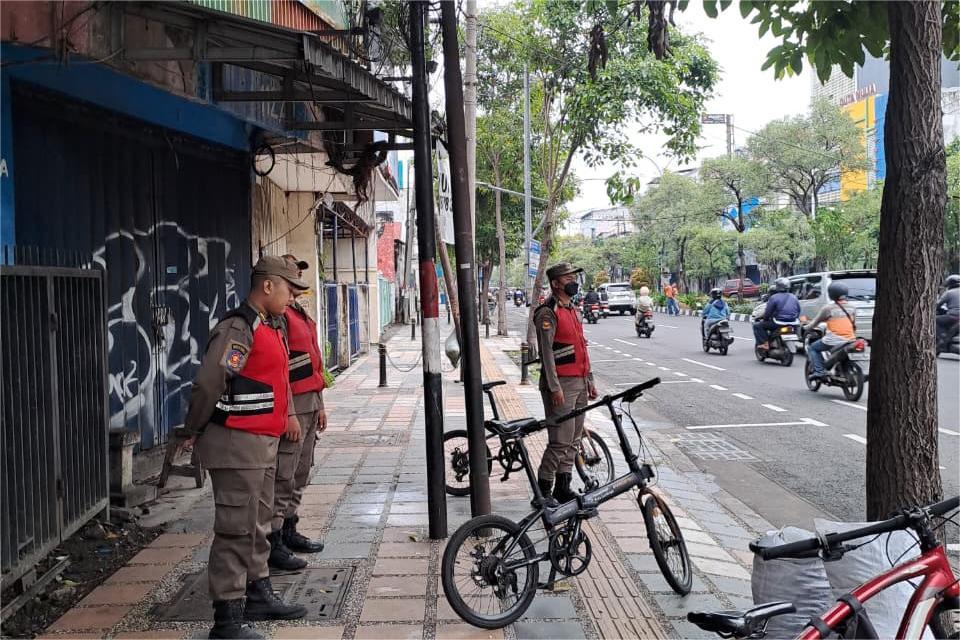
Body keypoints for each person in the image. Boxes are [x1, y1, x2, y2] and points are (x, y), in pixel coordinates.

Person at [181, 256, 309, 639]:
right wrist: (193, 428)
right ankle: (227, 623)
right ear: (267, 286)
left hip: (261, 446)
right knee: (236, 531)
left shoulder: (268, 326)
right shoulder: (239, 328)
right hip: (238, 446)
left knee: (257, 527)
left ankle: (256, 593)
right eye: (288, 289)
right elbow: (211, 381)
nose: (292, 297)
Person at [265, 255, 327, 574]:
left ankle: (289, 528)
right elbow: (280, 370)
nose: (299, 276)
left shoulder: (298, 311)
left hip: (309, 401)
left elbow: (313, 360)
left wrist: (320, 403)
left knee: (301, 471)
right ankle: (273, 539)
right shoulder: (278, 316)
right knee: (284, 473)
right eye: (293, 271)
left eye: (300, 271)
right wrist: (288, 411)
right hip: (292, 405)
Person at [533, 263, 598, 507]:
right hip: (561, 385)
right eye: (568, 277)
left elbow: (581, 347)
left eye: (574, 276)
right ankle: (542, 492)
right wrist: (554, 387)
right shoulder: (548, 312)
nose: (573, 281)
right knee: (560, 441)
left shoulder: (572, 309)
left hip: (579, 382)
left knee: (573, 440)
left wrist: (589, 379)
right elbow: (547, 354)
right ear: (555, 283)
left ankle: (563, 487)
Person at [803, 282, 856, 380]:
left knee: (813, 348)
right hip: (851, 339)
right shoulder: (852, 307)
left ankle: (819, 371)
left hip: (834, 339)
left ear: (831, 294)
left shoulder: (828, 308)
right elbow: (853, 322)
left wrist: (806, 327)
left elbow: (815, 322)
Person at [753, 278, 801, 347]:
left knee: (757, 326)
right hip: (793, 323)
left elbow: (768, 312)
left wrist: (765, 319)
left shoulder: (774, 297)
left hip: (778, 323)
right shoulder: (794, 297)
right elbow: (798, 310)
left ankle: (764, 344)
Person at [936, 274, 960, 349]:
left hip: (953, 316)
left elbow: (938, 304)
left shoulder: (949, 293)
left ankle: (941, 338)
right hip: (956, 318)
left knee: (934, 320)